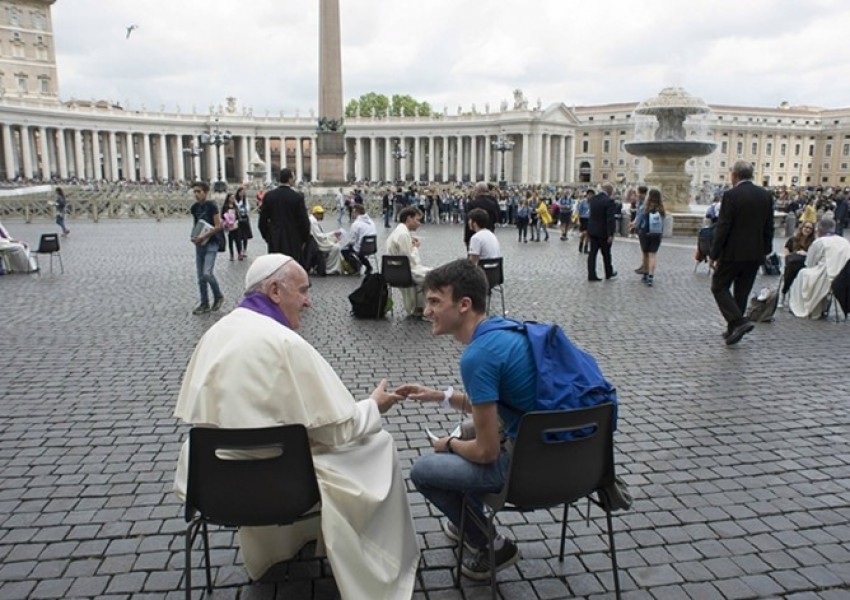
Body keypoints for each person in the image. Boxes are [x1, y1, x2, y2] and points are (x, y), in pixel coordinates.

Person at [173, 254, 419, 600]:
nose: (308, 300)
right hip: (286, 487)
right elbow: (338, 429)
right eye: (303, 290)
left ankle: (288, 542)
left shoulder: (216, 333)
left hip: (215, 487)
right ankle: (381, 562)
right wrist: (374, 406)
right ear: (275, 290)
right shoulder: (284, 343)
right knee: (378, 444)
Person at [395, 260, 536, 580]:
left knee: (425, 470)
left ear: (464, 305)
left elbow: (486, 453)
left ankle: (491, 544)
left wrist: (451, 444)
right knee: (469, 431)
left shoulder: (478, 355)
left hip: (532, 472)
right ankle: (468, 521)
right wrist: (438, 396)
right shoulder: (509, 331)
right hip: (574, 459)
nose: (427, 311)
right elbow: (493, 406)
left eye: (434, 301)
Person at [709, 160, 774, 345]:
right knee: (742, 291)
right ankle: (733, 329)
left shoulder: (731, 195)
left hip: (733, 252)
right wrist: (765, 250)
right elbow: (769, 227)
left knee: (719, 286)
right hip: (755, 253)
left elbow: (723, 227)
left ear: (735, 175)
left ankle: (738, 322)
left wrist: (714, 253)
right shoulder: (765, 195)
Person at [788, 217, 850, 319]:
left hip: (825, 274)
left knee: (802, 273)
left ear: (820, 229)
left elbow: (809, 263)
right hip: (843, 278)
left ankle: (802, 305)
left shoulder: (820, 242)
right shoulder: (844, 241)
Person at [258, 168, 311, 267]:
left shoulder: (269, 196)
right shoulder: (297, 197)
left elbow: (262, 221)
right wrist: (304, 239)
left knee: (276, 268)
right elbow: (304, 222)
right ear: (290, 179)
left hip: (275, 238)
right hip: (294, 239)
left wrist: (267, 236)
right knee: (291, 267)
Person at [386, 207, 431, 317]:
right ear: (409, 219)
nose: (419, 223)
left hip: (393, 270)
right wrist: (415, 247)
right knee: (434, 276)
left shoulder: (399, 231)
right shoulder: (403, 234)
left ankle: (419, 307)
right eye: (417, 220)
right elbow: (409, 259)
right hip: (402, 272)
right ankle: (425, 310)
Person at [189, 181, 225, 315]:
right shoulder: (194, 208)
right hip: (200, 244)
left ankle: (218, 296)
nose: (196, 194)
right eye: (195, 192)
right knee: (200, 277)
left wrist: (204, 236)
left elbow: (218, 225)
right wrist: (194, 237)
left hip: (212, 243)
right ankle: (204, 303)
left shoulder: (212, 206)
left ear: (206, 192)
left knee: (207, 273)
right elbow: (196, 225)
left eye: (199, 191)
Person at [779, 221, 816, 308]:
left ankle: (785, 292)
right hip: (792, 263)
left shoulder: (813, 243)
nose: (807, 230)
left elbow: (814, 256)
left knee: (793, 269)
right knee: (791, 267)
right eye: (806, 227)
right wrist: (795, 254)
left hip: (805, 266)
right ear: (802, 228)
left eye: (810, 228)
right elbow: (787, 253)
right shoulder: (793, 239)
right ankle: (784, 292)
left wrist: (806, 253)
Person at [635, 189, 665, 287]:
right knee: (653, 255)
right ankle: (651, 276)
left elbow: (640, 220)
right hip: (656, 234)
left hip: (645, 233)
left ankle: (645, 273)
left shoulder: (645, 207)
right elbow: (663, 222)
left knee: (645, 254)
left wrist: (637, 228)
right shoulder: (661, 209)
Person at [586, 183, 617, 281]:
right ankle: (608, 272)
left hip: (592, 230)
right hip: (603, 232)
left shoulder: (593, 199)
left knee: (592, 253)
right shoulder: (609, 201)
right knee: (606, 254)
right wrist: (611, 234)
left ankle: (591, 274)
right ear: (610, 191)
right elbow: (610, 219)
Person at [307, 205, 344, 275]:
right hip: (318, 243)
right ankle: (330, 268)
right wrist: (333, 234)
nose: (322, 216)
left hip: (317, 242)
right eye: (320, 214)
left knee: (336, 245)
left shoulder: (313, 220)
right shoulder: (313, 222)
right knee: (336, 247)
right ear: (315, 214)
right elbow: (319, 236)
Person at [342, 203, 377, 275]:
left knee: (344, 250)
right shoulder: (371, 222)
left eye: (352, 212)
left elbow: (351, 240)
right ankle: (368, 266)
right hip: (372, 247)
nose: (351, 214)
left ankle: (355, 267)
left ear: (356, 212)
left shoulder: (356, 224)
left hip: (361, 248)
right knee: (360, 251)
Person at [463, 182, 500, 251]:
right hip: (490, 234)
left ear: (477, 191)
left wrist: (466, 239)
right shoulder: (493, 203)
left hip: (473, 235)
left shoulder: (471, 204)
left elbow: (468, 223)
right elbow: (497, 218)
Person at [220, 193, 241, 261]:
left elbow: (238, 215)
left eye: (233, 198)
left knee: (238, 240)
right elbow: (222, 215)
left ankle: (239, 253)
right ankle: (231, 255)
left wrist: (236, 220)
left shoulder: (235, 206)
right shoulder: (225, 206)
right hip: (228, 225)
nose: (232, 199)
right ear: (228, 198)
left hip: (235, 225)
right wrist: (227, 219)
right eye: (231, 198)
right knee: (230, 241)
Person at [234, 186, 253, 260]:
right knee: (238, 235)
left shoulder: (246, 200)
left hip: (245, 219)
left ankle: (244, 249)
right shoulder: (236, 200)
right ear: (238, 193)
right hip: (238, 219)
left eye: (243, 193)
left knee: (245, 236)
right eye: (241, 192)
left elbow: (248, 208)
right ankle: (240, 250)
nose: (242, 194)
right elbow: (236, 208)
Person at [577, 189, 592, 254]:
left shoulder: (593, 203)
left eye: (592, 195)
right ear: (587, 195)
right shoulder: (583, 202)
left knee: (588, 234)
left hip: (590, 219)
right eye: (589, 194)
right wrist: (578, 220)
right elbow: (579, 211)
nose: (590, 196)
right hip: (583, 219)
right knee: (584, 233)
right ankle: (581, 244)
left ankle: (586, 247)